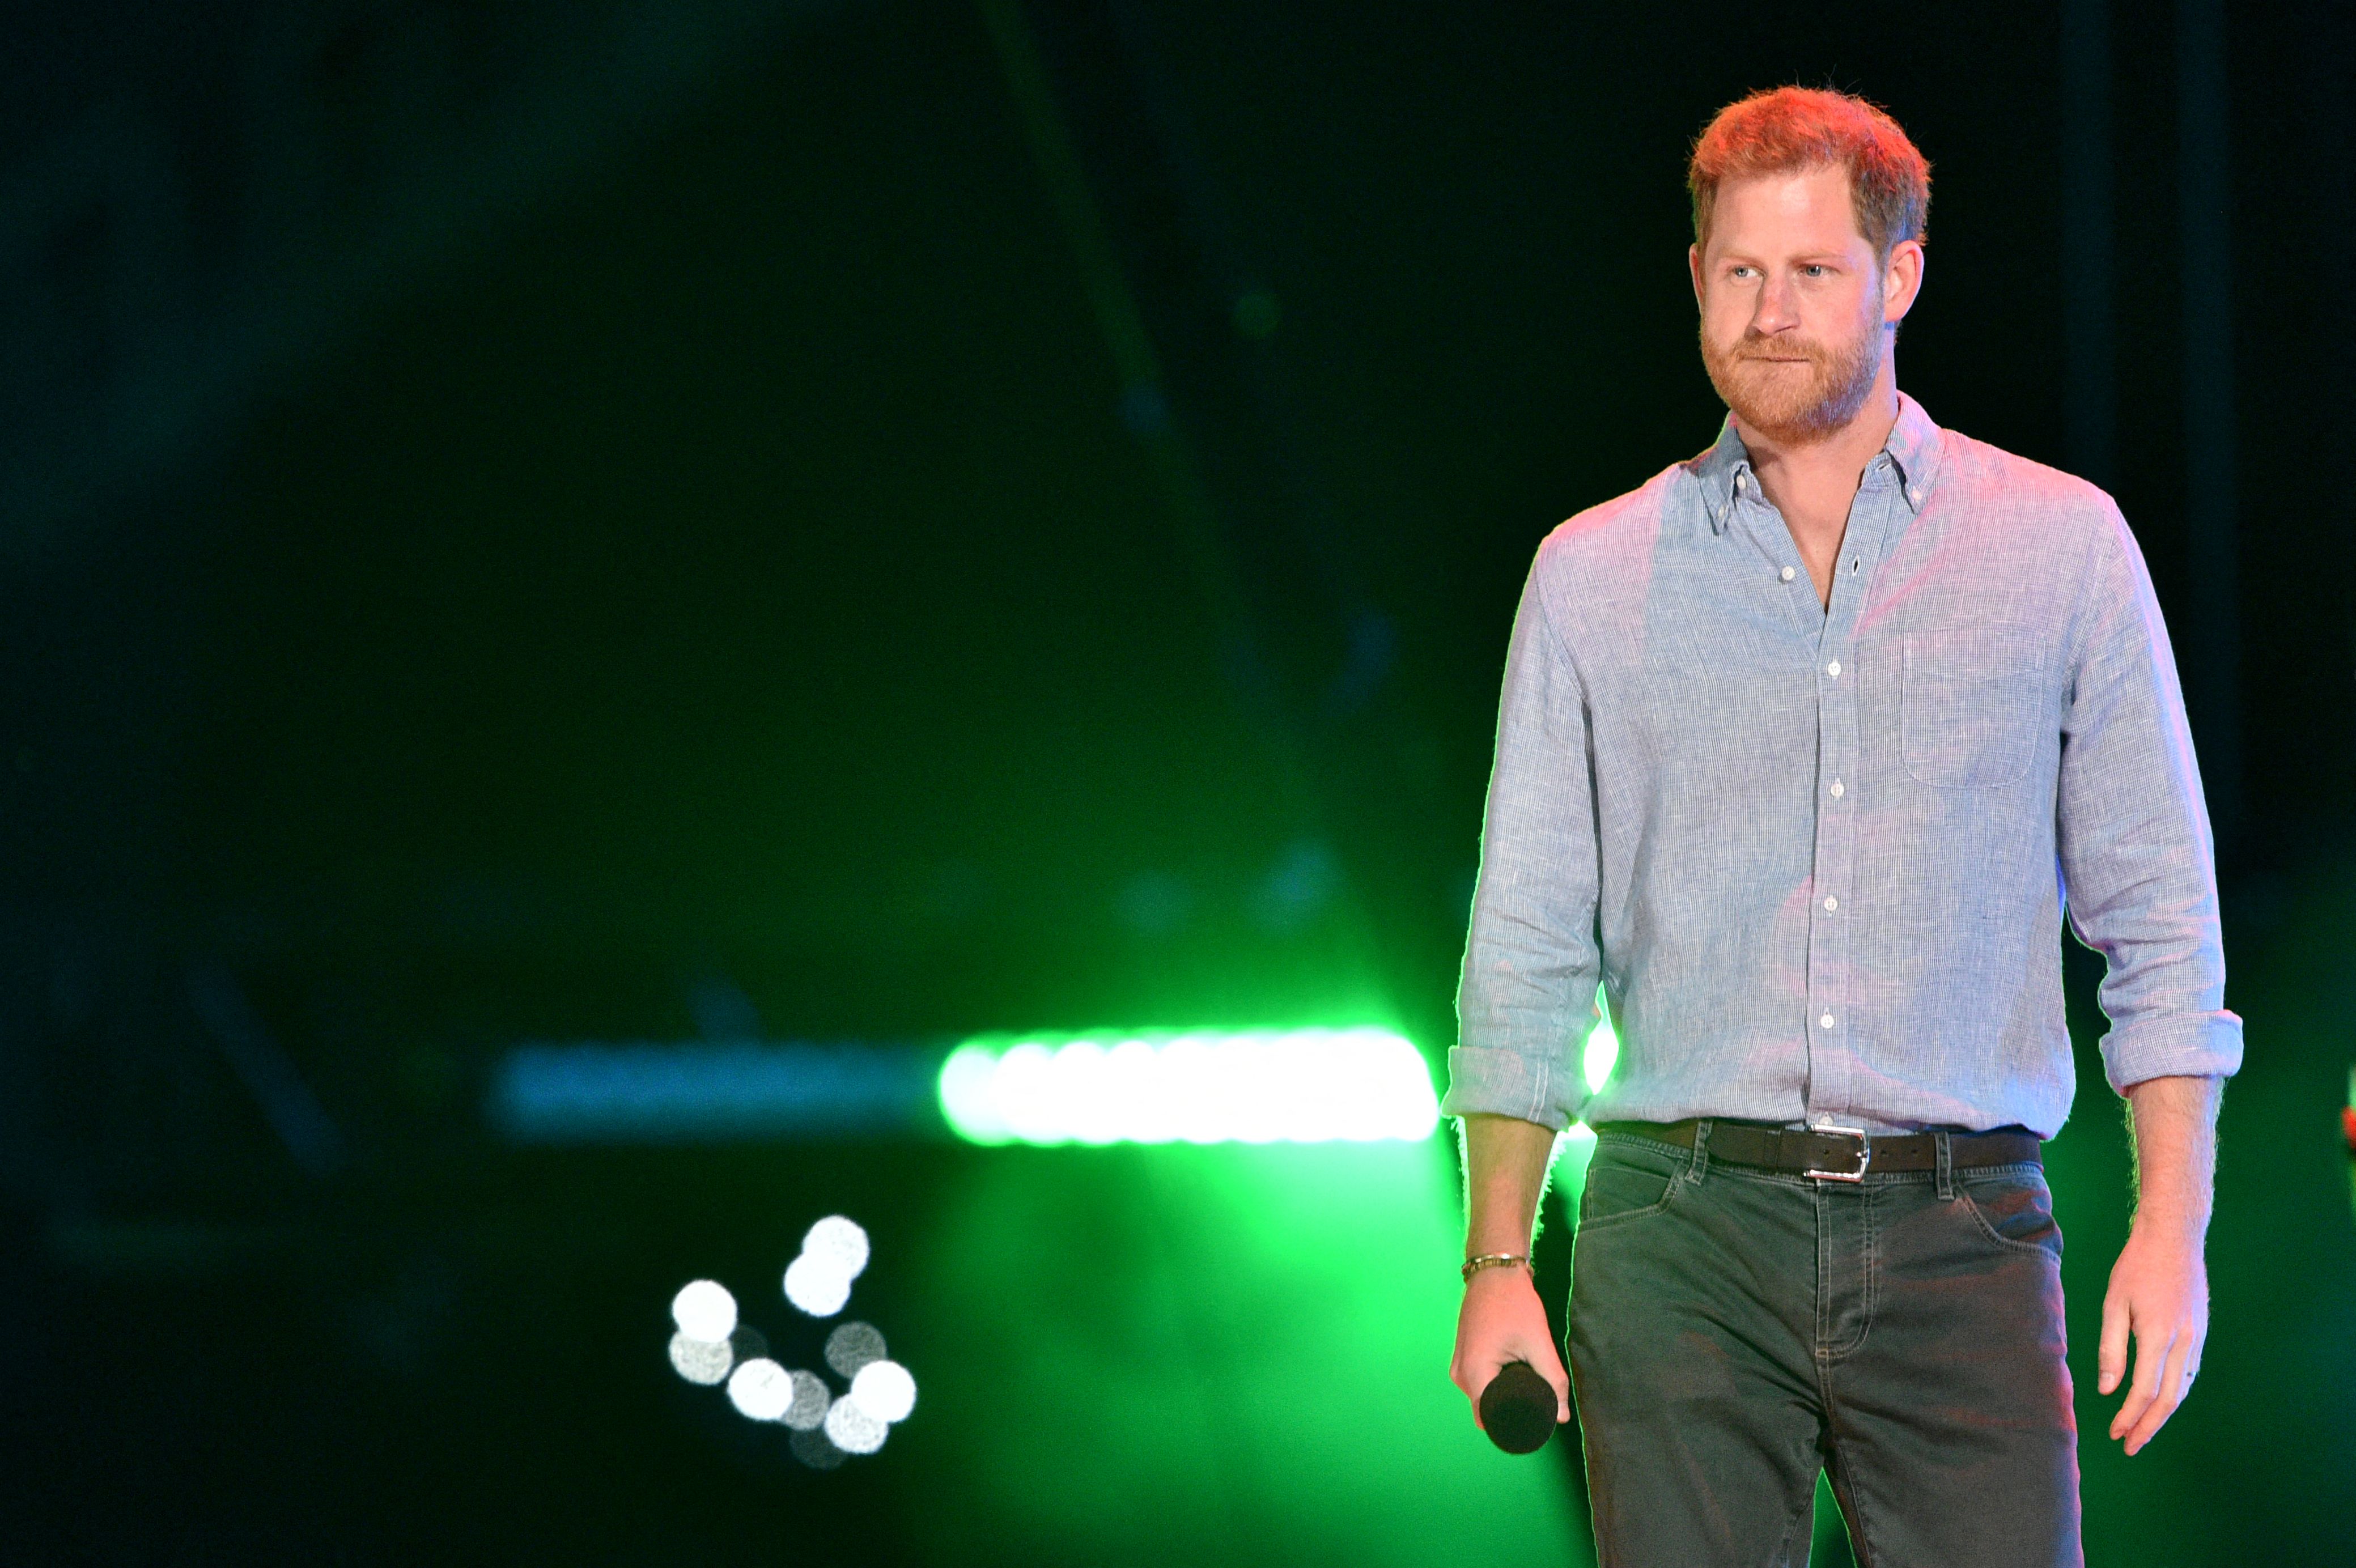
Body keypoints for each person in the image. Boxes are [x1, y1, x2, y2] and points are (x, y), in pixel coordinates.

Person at [1442, 86, 2238, 1567]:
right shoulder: (1592, 576)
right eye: (1738, 270)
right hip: (1680, 1230)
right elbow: (1529, 945)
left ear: (1902, 276)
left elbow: (2160, 921)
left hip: (1964, 1234)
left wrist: (2171, 1228)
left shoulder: (2061, 549)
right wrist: (1500, 1264)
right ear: (1694, 279)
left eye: (1813, 271)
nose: (1769, 311)